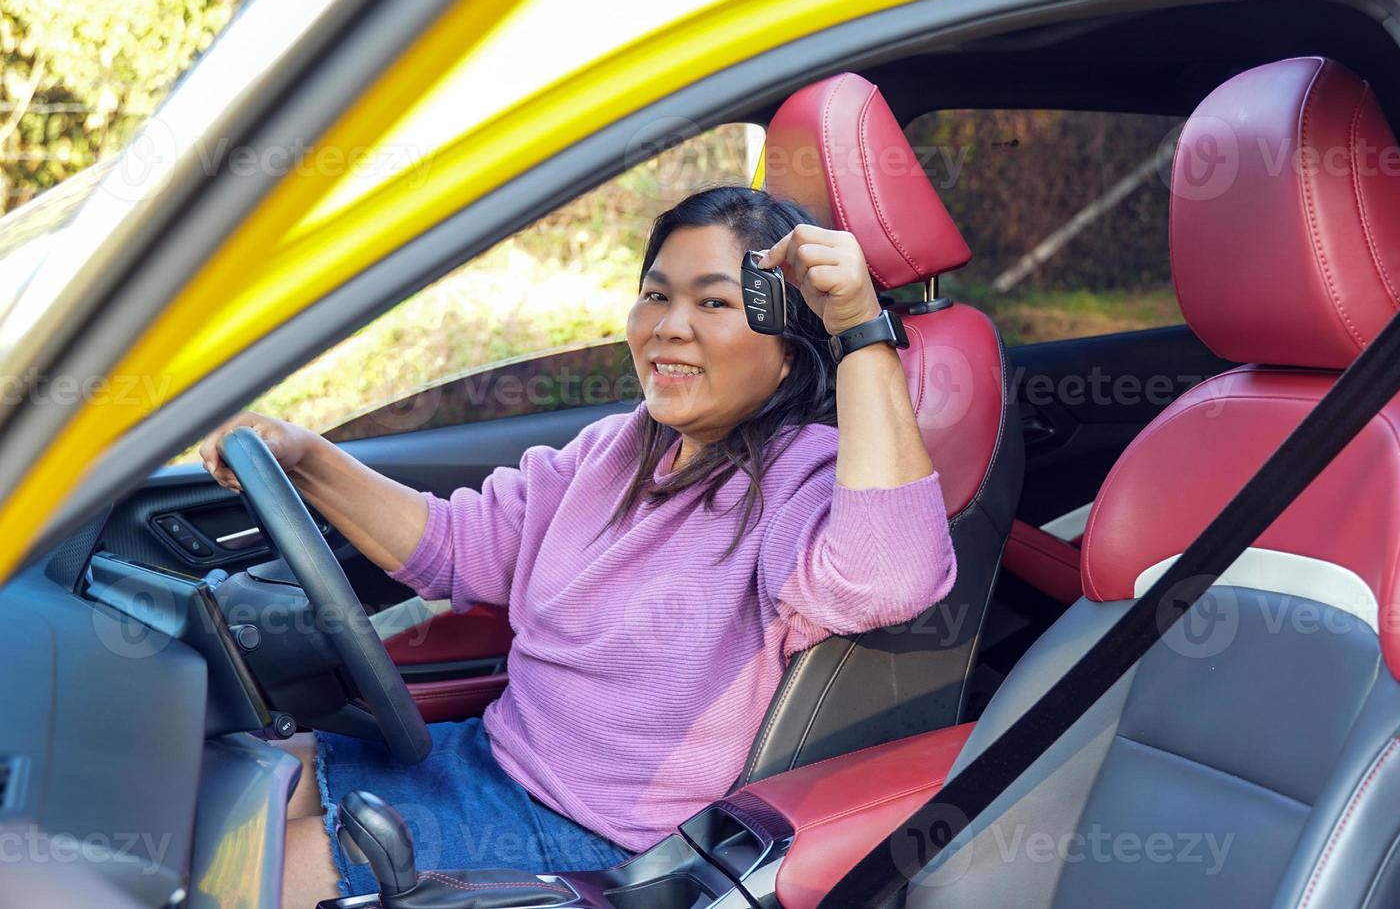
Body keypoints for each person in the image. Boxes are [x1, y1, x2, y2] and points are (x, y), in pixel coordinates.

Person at [199, 185, 959, 906]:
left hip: (593, 838)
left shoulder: (802, 474)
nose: (669, 325)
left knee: (241, 867)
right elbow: (457, 546)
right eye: (656, 294)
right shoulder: (617, 449)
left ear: (790, 350)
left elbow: (887, 578)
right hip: (483, 761)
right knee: (226, 784)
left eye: (714, 303)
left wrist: (859, 328)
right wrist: (309, 458)